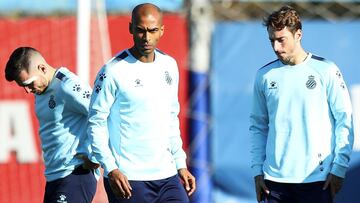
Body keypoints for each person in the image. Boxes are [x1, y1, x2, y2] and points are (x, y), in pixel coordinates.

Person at [87, 3, 196, 203]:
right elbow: (95, 122)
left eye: (153, 30)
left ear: (162, 30)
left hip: (167, 176)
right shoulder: (112, 71)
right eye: (140, 30)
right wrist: (111, 168)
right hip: (129, 179)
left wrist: (180, 164)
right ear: (131, 28)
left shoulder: (169, 65)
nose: (146, 38)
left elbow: (171, 119)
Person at [249, 5, 354, 203]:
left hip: (316, 179)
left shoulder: (326, 70)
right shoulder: (264, 76)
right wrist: (257, 172)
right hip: (274, 183)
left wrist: (338, 168)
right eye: (272, 40)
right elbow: (258, 126)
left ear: (298, 35)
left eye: (281, 40)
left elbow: (344, 121)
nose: (276, 48)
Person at [5, 47, 99, 203]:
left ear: (42, 68)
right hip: (54, 178)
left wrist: (96, 157)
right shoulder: (40, 90)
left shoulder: (68, 86)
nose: (27, 90)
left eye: (28, 83)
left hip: (75, 175)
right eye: (23, 86)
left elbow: (102, 116)